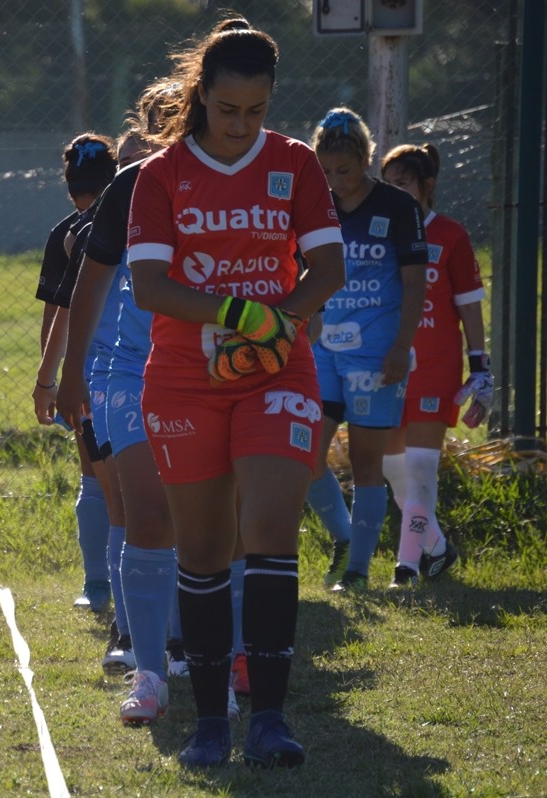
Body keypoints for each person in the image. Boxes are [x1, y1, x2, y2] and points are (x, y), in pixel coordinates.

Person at [125, 21, 345, 767]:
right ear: (202, 98)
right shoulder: (161, 176)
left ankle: (271, 721)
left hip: (278, 369)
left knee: (273, 528)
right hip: (186, 378)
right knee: (206, 548)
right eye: (227, 110)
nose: (241, 124)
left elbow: (327, 267)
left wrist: (280, 321)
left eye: (255, 110)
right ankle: (211, 723)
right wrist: (235, 312)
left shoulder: (297, 164)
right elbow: (151, 284)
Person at [305, 109, 428, 592]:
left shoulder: (398, 208)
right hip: (322, 350)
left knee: (364, 463)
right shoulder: (318, 205)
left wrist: (402, 345)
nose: (336, 181)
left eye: (345, 170)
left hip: (375, 355)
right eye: (327, 171)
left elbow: (416, 283)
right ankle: (342, 540)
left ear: (365, 158)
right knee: (305, 453)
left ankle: (357, 571)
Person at [379, 143, 485, 585]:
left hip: (435, 365)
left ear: (427, 186)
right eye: (387, 185)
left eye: (402, 184)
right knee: (390, 466)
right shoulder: (378, 231)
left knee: (421, 467)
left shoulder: (450, 235)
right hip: (388, 364)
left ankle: (406, 566)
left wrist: (480, 367)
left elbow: (470, 304)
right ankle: (437, 547)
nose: (394, 193)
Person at [32, 133, 119, 617]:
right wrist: (57, 375)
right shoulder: (73, 235)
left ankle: (106, 582)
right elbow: (60, 309)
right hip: (91, 373)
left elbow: (52, 318)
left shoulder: (92, 230)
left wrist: (49, 375)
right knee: (98, 477)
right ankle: (99, 581)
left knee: (106, 479)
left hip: (121, 367)